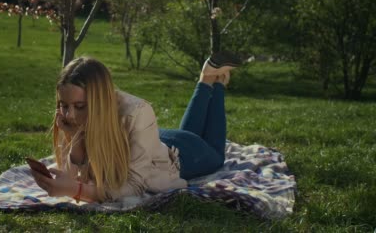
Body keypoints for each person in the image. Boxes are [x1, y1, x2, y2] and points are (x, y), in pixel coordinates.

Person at [31, 53, 241, 203]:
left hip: (177, 156)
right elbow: (75, 172)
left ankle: (218, 82)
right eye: (63, 105)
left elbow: (134, 186)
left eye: (79, 106)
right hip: (148, 140)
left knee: (215, 155)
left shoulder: (137, 111)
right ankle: (206, 78)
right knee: (192, 135)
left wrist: (77, 190)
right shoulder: (71, 118)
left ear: (99, 100)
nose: (69, 115)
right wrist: (72, 137)